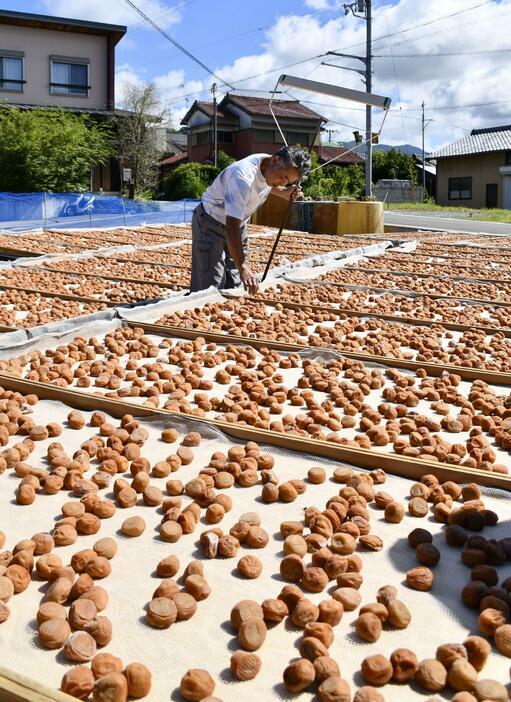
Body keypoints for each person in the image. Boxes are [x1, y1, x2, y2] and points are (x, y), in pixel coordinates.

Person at [189, 146, 311, 295]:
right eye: (283, 178)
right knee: (210, 284)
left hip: (238, 224)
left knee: (235, 282)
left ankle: (229, 313)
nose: (282, 183)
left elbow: (265, 183)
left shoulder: (269, 167)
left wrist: (284, 193)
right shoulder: (242, 176)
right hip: (210, 222)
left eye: (288, 182)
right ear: (274, 160)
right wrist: (244, 267)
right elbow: (231, 226)